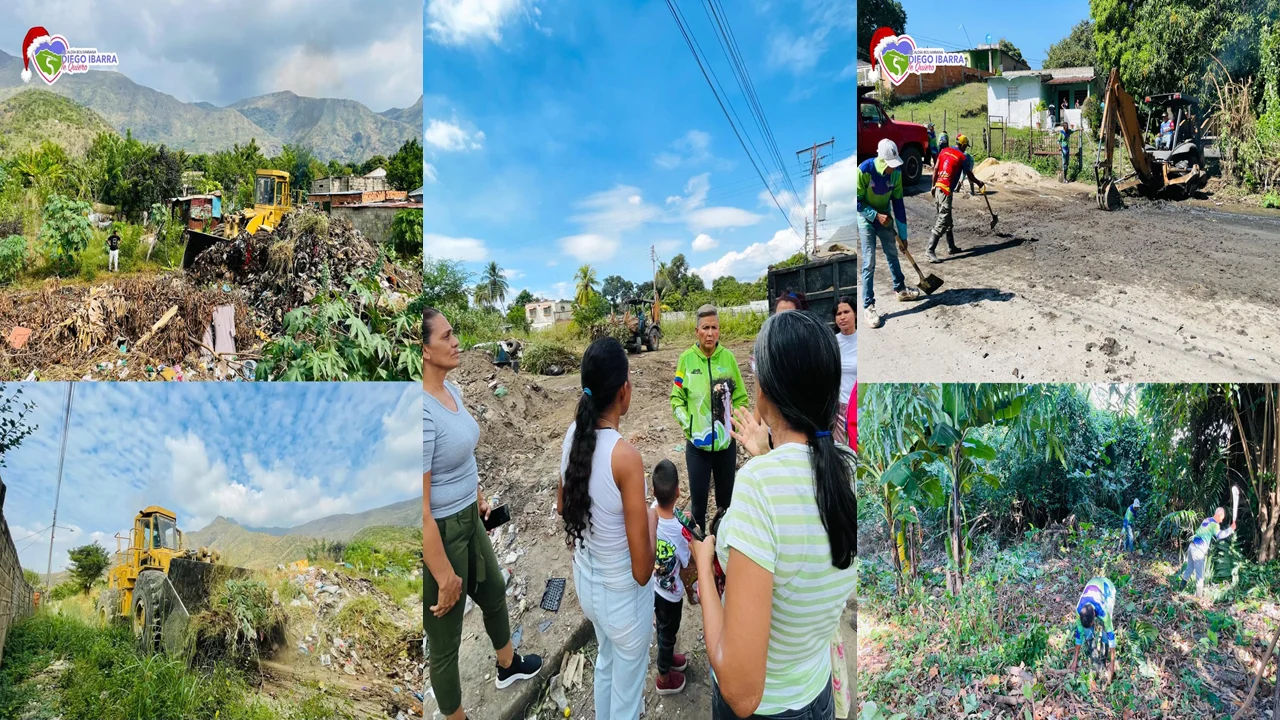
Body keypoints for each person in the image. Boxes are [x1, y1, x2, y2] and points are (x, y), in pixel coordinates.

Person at [692, 310, 858, 719]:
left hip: (769, 708)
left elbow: (741, 693)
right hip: (817, 694)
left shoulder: (758, 485)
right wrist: (768, 455)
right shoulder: (849, 470)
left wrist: (703, 567)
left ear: (763, 391)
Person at [422, 308, 543, 720]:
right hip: (440, 533)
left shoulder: (451, 391)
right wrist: (443, 574)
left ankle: (507, 665)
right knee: (445, 643)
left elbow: (461, 455)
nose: (456, 342)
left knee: (493, 592)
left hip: (470, 519)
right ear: (424, 350)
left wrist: (477, 494)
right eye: (447, 336)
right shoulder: (420, 412)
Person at [559, 336, 656, 719]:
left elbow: (562, 506)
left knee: (605, 662)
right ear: (623, 391)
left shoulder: (572, 436)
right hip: (622, 600)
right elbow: (642, 570)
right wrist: (652, 518)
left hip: (588, 585)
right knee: (627, 699)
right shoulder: (625, 457)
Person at [672, 305, 749, 533]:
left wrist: (734, 425)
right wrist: (689, 426)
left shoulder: (729, 359)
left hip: (726, 446)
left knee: (726, 505)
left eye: (714, 328)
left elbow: (741, 397)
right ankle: (700, 545)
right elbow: (676, 398)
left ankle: (721, 547)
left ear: (719, 330)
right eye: (705, 328)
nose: (710, 333)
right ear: (696, 331)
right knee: (698, 506)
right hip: (697, 448)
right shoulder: (686, 360)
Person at [857, 139, 922, 331]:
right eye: (890, 165)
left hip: (886, 217)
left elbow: (899, 205)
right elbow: (857, 202)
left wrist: (903, 235)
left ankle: (900, 289)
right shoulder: (864, 170)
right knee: (869, 261)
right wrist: (875, 215)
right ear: (881, 161)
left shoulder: (896, 174)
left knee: (892, 253)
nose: (893, 168)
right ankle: (868, 306)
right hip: (867, 219)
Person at [651, 459, 693, 696]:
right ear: (678, 491)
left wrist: (679, 516)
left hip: (654, 588)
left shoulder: (651, 512)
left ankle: (667, 658)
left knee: (663, 628)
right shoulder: (678, 532)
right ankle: (663, 678)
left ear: (653, 491)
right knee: (668, 634)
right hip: (671, 595)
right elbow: (686, 561)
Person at [927, 134, 986, 264]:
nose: (966, 148)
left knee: (947, 218)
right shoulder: (962, 157)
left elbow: (936, 169)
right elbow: (969, 175)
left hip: (938, 187)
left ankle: (951, 246)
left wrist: (933, 186)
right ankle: (930, 250)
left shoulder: (944, 151)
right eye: (965, 146)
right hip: (946, 189)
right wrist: (979, 183)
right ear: (963, 145)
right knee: (943, 218)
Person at [1068, 576, 1118, 679]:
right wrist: (1075, 661)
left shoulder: (1103, 611)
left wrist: (1112, 664)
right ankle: (1095, 660)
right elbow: (1079, 634)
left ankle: (1103, 660)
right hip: (1093, 584)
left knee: (1106, 631)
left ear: (1095, 615)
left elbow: (1111, 635)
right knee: (1087, 632)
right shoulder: (1079, 611)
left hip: (1107, 590)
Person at [1182, 508, 1236, 597]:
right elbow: (1220, 535)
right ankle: (1198, 598)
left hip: (1192, 546)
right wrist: (1231, 529)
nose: (1221, 521)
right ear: (1219, 515)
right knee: (1200, 576)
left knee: (1189, 569)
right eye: (1222, 518)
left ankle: (1179, 591)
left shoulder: (1207, 520)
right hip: (1198, 550)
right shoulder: (1214, 524)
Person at [833, 297, 857, 445]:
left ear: (855, 314)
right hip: (839, 408)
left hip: (860, 406)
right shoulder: (831, 342)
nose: (842, 317)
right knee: (842, 451)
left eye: (846, 312)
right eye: (838, 314)